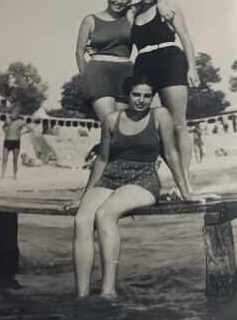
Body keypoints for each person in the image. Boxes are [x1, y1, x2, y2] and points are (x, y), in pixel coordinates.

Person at [72, 78, 190, 299]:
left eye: (147, 96)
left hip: (142, 178)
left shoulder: (160, 115)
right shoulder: (111, 120)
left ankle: (108, 291)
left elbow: (172, 154)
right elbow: (102, 159)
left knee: (105, 214)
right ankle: (82, 294)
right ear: (127, 96)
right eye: (137, 95)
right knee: (82, 220)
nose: (142, 100)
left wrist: (186, 191)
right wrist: (85, 195)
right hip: (111, 176)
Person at [128, 0, 215, 198]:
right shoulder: (133, 11)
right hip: (143, 64)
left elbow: (185, 36)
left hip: (170, 60)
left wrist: (192, 68)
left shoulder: (168, 5)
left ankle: (185, 183)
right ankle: (172, 179)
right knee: (153, 125)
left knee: (178, 124)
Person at [75, 0, 134, 120]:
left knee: (122, 124)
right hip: (99, 72)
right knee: (109, 121)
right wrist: (87, 77)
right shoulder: (91, 20)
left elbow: (151, 0)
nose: (119, 1)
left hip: (126, 73)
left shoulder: (131, 17)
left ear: (130, 0)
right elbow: (79, 52)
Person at [0, 108, 31, 179]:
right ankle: (2, 174)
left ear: (18, 114)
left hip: (16, 142)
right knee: (4, 159)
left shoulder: (21, 121)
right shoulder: (8, 120)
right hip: (7, 141)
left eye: (14, 113)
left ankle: (14, 176)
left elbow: (30, 129)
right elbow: (3, 127)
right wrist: (5, 131)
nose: (12, 114)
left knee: (15, 160)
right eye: (12, 113)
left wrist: (22, 133)